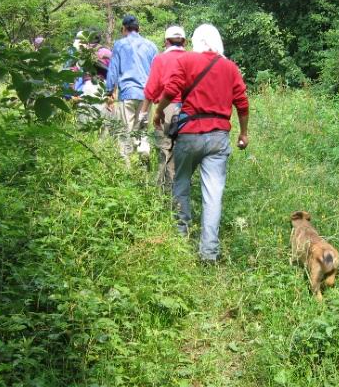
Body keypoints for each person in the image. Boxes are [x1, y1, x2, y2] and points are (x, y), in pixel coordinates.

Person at [154, 24, 249, 262]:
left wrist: (159, 111)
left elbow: (171, 90)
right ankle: (209, 252)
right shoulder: (230, 67)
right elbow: (242, 103)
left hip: (189, 135)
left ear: (196, 41)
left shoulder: (186, 61)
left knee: (181, 183)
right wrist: (243, 133)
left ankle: (180, 238)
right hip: (218, 137)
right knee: (213, 195)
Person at [140, 25, 187, 193]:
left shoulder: (160, 59)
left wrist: (143, 113)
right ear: (184, 42)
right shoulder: (192, 59)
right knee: (180, 155)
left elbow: (151, 88)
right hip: (188, 112)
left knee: (164, 152)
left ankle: (162, 195)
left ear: (166, 41)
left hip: (166, 110)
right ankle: (178, 194)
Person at [105, 15, 158, 163]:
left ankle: (126, 165)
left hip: (127, 93)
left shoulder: (119, 45)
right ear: (138, 28)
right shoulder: (151, 46)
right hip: (146, 96)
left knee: (125, 132)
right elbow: (156, 72)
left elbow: (113, 70)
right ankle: (143, 152)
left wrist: (109, 92)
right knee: (142, 129)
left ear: (123, 29)